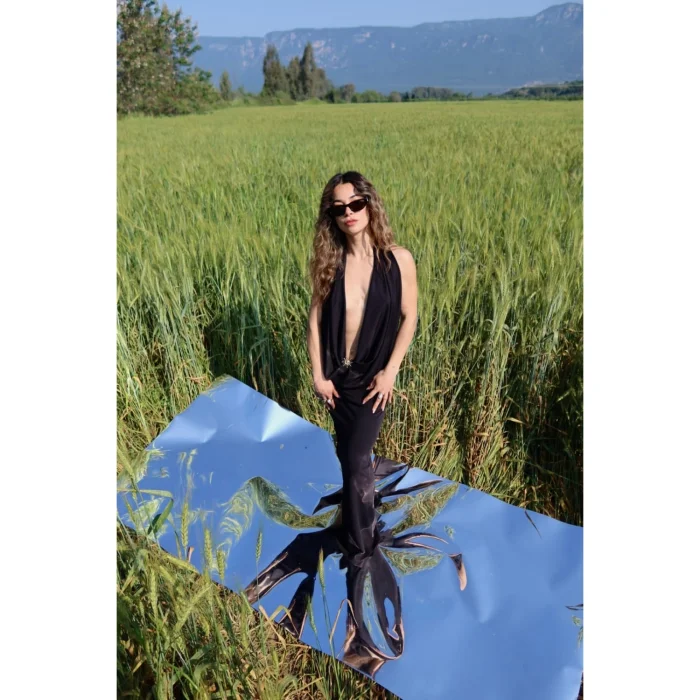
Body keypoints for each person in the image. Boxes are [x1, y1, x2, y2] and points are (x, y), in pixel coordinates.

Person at [306, 171, 418, 564]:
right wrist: (318, 376)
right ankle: (354, 515)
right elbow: (315, 322)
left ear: (369, 204)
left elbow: (409, 316)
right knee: (348, 455)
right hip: (338, 378)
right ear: (332, 216)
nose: (349, 213)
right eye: (339, 208)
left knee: (356, 457)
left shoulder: (398, 259)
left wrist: (390, 372)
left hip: (374, 379)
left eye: (356, 203)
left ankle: (360, 545)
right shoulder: (329, 264)